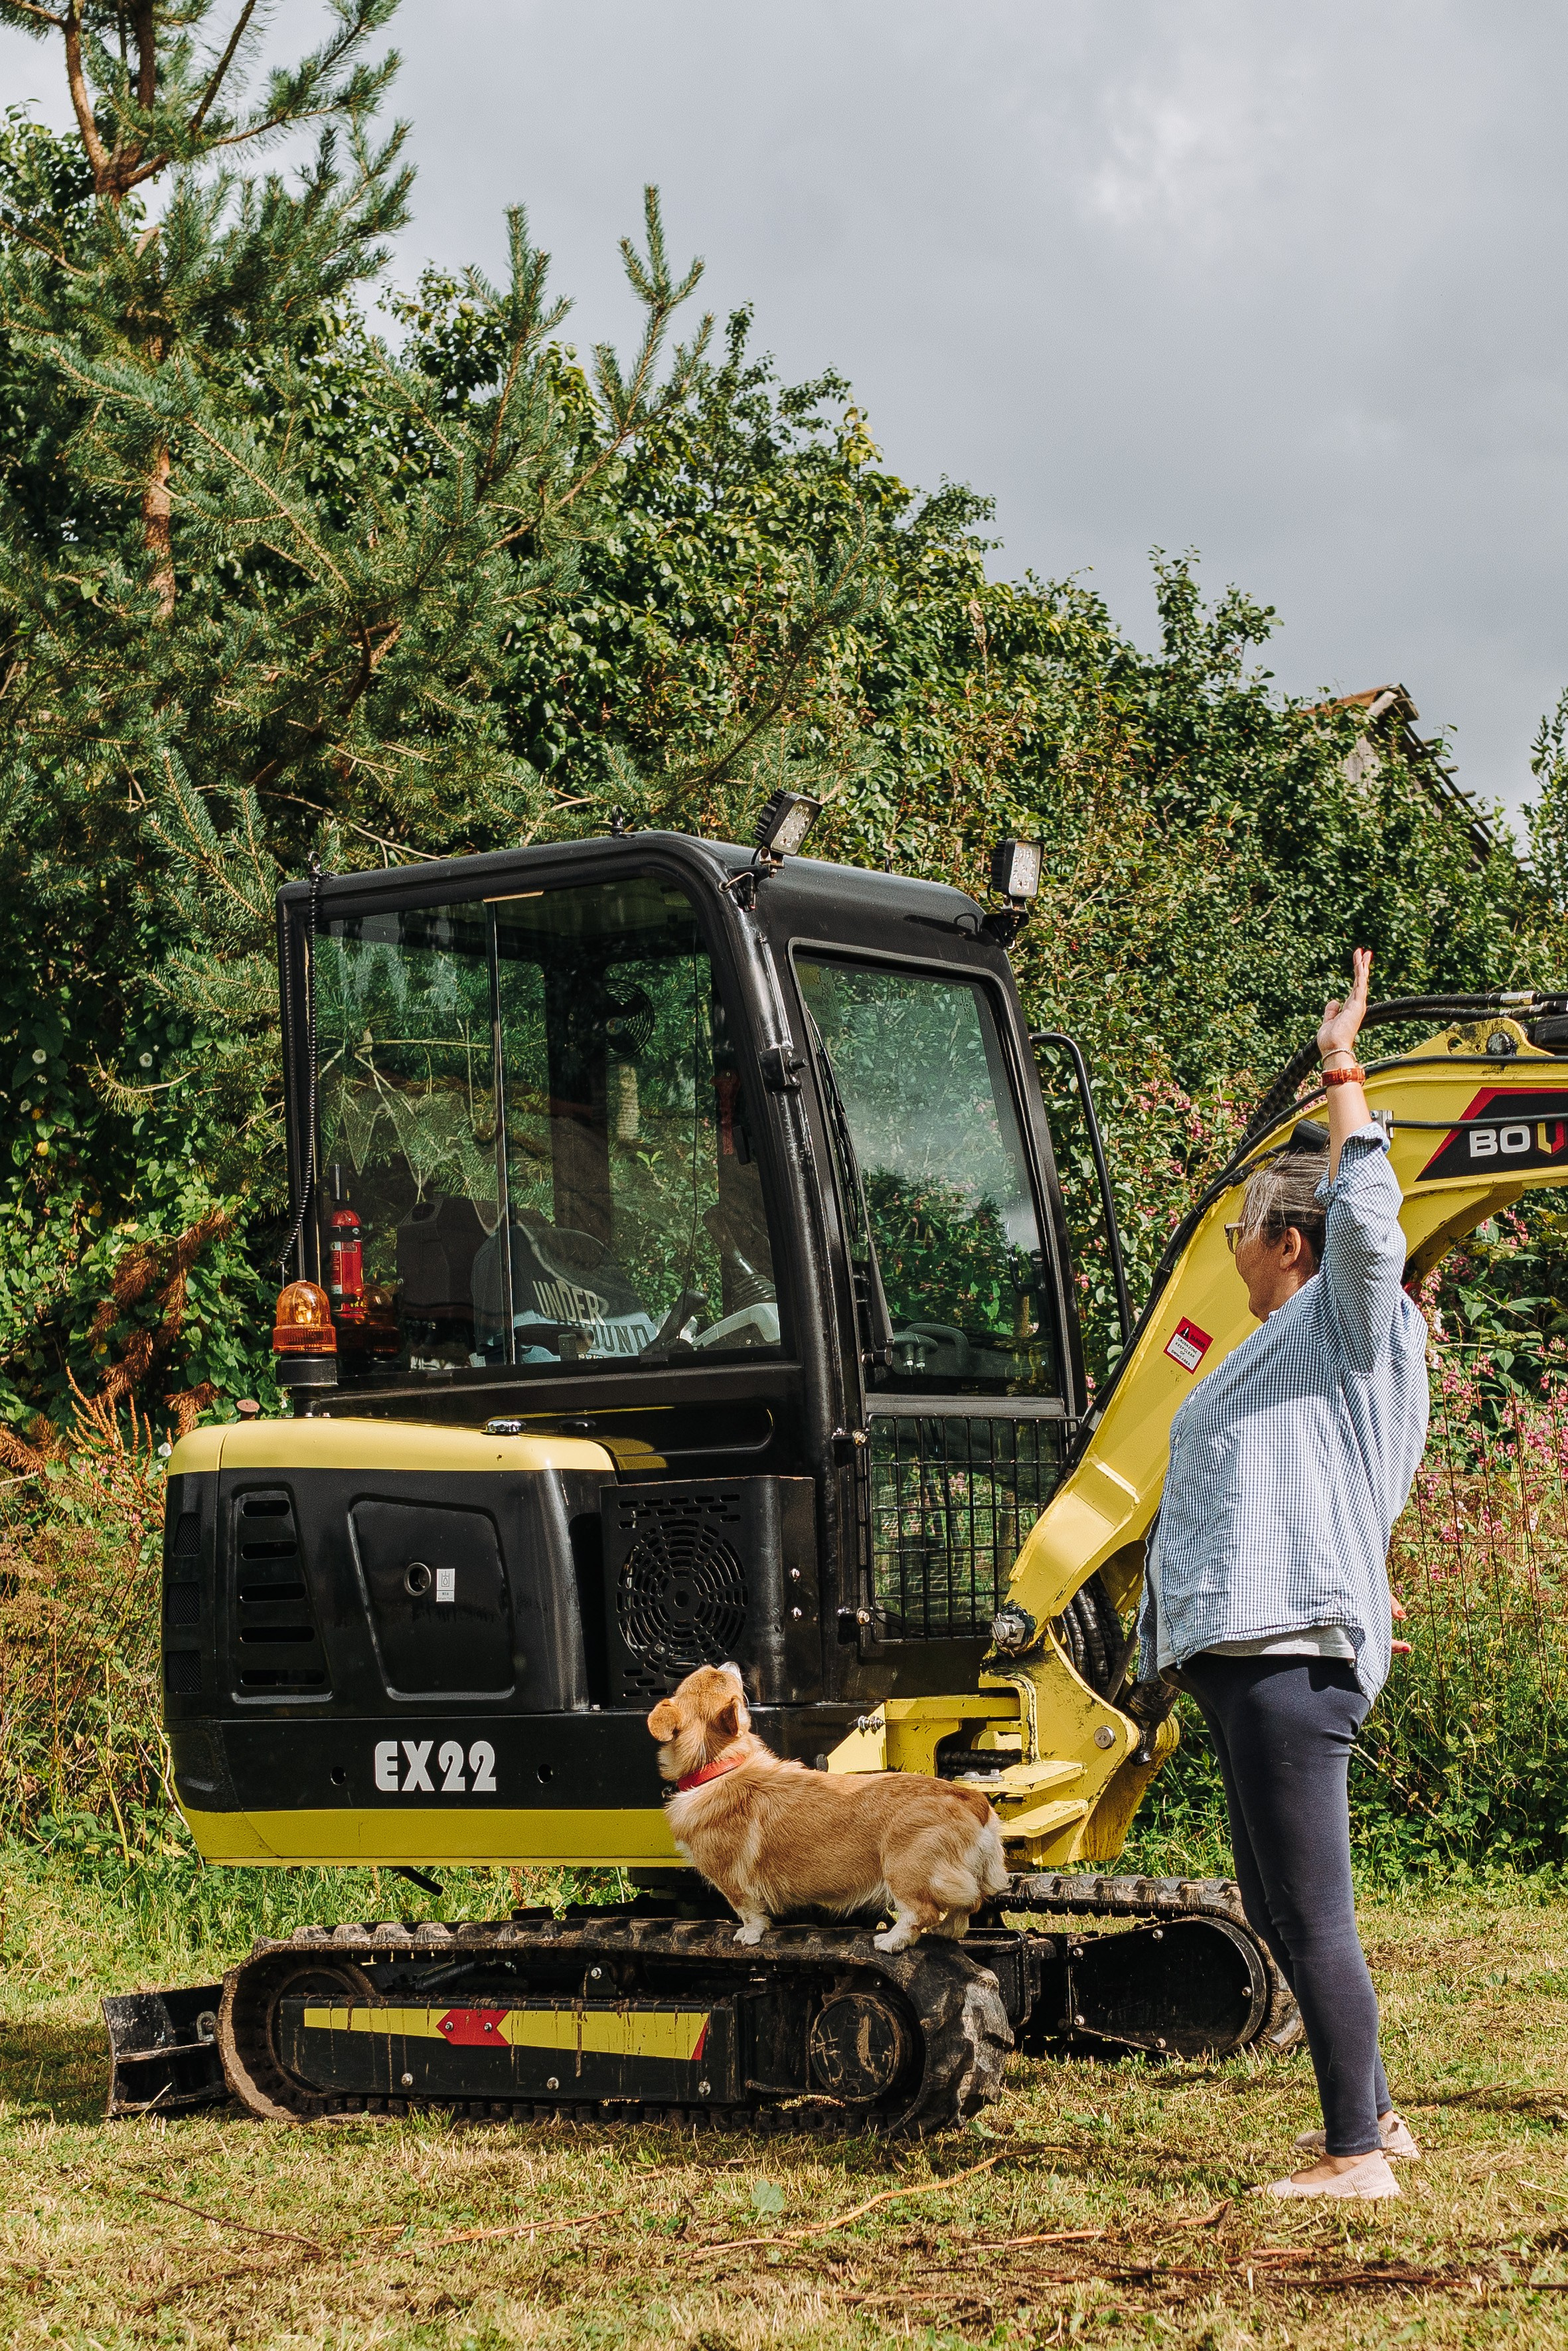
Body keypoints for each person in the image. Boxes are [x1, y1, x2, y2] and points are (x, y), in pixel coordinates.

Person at [1139, 948, 1428, 2200]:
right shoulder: (1305, 1352)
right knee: (1277, 1894)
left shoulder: (1339, 1315)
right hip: (1259, 1649)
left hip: (1284, 1652)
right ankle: (1374, 2115)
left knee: (1311, 1908)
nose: (1236, 1250)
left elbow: (1371, 1219)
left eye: (1245, 1229)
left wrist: (1341, 1069)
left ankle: (1354, 2154)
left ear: (1289, 1243)